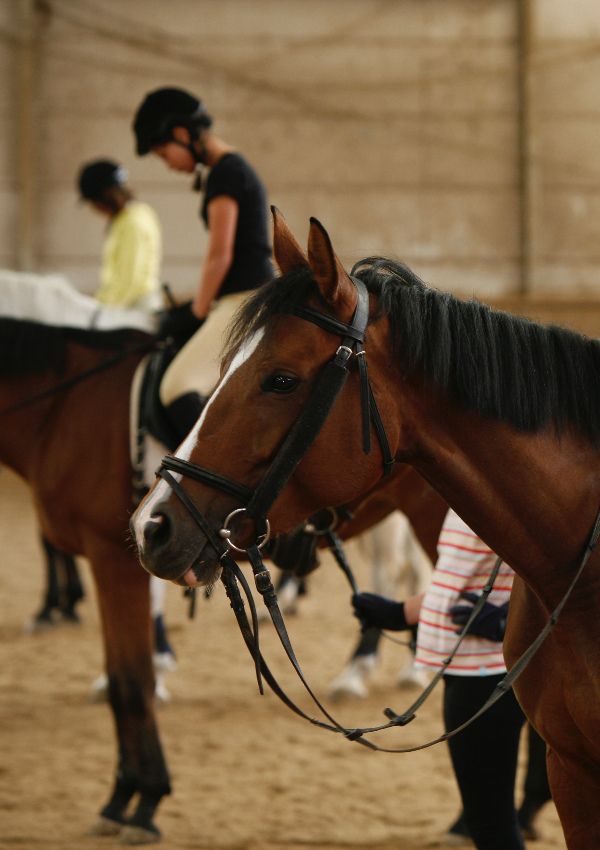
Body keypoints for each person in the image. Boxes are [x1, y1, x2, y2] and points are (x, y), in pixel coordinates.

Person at [352, 509, 551, 850]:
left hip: (493, 672)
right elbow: (455, 584)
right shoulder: (462, 499)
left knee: (491, 822)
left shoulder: (512, 491)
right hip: (459, 666)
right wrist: (402, 613)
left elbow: (567, 572)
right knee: (485, 818)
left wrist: (512, 620)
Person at [131, 86, 274, 441]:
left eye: (164, 152)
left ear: (182, 134)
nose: (167, 163)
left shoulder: (226, 174)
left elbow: (219, 254)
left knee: (176, 387)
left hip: (244, 299)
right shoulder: (229, 170)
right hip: (244, 296)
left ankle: (222, 481)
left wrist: (194, 311)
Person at [77, 158, 163, 311]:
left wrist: (102, 313)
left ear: (104, 197)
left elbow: (130, 280)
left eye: (93, 202)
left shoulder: (133, 222)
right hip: (124, 308)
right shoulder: (129, 217)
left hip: (132, 312)